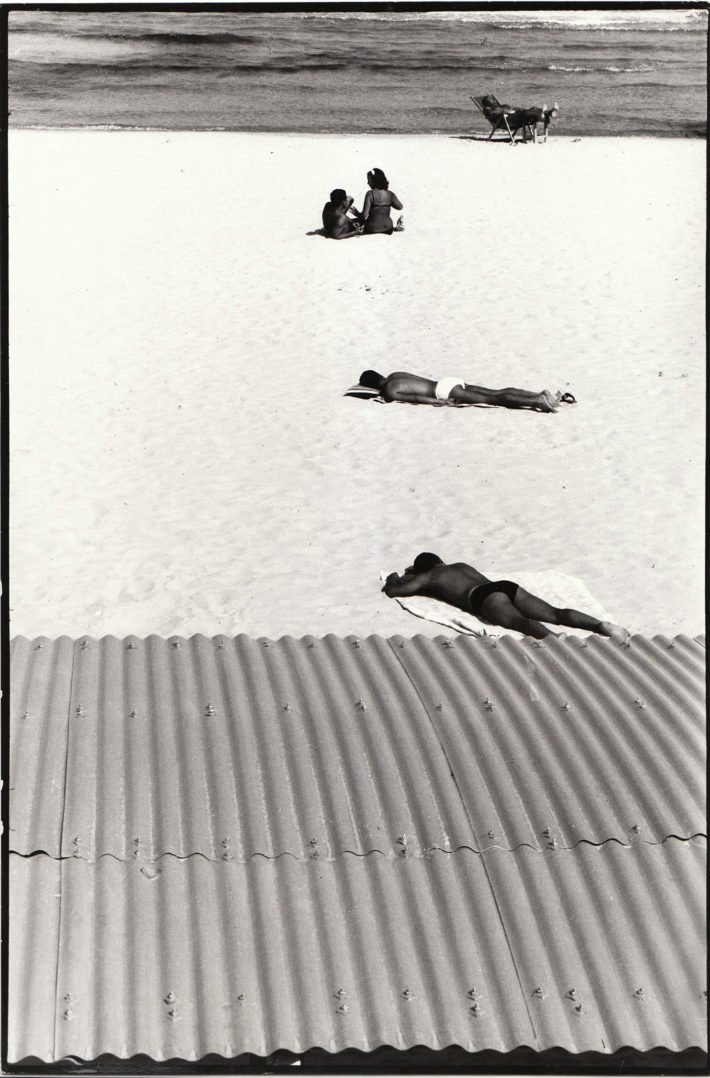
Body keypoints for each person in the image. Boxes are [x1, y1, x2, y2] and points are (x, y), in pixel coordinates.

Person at [382, 553, 630, 642]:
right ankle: (601, 626)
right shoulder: (459, 564)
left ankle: (554, 639)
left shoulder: (429, 577)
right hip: (503, 586)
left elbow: (396, 591)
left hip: (480, 597)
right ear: (440, 560)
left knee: (520, 622)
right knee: (555, 612)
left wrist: (395, 577)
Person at [358, 369, 575, 413]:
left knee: (493, 399)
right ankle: (541, 394)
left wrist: (440, 403)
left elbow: (416, 397)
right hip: (447, 381)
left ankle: (538, 401)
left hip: (441, 392)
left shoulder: (388, 389)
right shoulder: (395, 375)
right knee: (495, 391)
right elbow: (417, 382)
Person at [360, 168, 404, 235]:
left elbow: (364, 215)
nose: (368, 182)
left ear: (375, 180)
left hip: (372, 229)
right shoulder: (390, 194)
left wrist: (356, 213)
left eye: (369, 180)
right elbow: (400, 207)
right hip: (388, 229)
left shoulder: (370, 193)